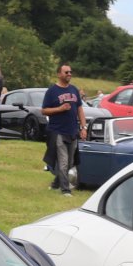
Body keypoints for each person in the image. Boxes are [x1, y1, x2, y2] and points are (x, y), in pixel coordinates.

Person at [41, 63, 87, 195]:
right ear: (59, 74)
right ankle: (65, 190)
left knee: (70, 162)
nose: (69, 74)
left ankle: (56, 183)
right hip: (58, 131)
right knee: (63, 162)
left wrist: (83, 127)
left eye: (70, 72)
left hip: (72, 131)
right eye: (66, 72)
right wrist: (59, 109)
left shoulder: (74, 90)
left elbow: (80, 109)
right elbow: (44, 110)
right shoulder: (52, 91)